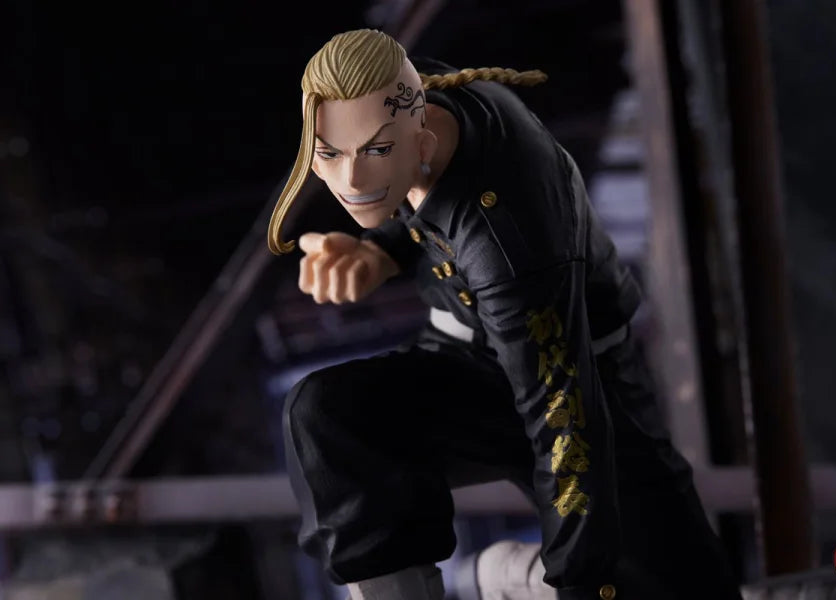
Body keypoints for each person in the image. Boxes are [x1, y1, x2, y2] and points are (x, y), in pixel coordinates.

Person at [269, 29, 743, 600]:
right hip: (463, 359)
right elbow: (418, 192)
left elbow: (564, 419)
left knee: (671, 582)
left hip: (580, 381)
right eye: (328, 154)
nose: (350, 181)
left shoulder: (504, 235)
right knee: (324, 413)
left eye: (374, 152)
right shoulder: (405, 92)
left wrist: (578, 581)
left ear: (420, 141)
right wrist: (381, 250)